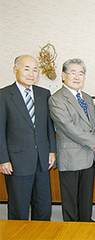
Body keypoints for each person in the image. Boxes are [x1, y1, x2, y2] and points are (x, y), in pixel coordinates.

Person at [0, 55, 56, 220]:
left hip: (42, 160)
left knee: (43, 206)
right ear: (15, 70)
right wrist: (3, 159)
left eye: (35, 69)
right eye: (26, 69)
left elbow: (48, 126)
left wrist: (52, 150)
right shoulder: (3, 95)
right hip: (17, 161)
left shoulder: (44, 94)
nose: (31, 73)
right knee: (19, 207)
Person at [48, 58, 95, 222]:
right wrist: (94, 142)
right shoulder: (56, 99)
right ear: (64, 75)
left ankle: (86, 222)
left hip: (90, 154)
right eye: (73, 73)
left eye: (81, 73)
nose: (77, 77)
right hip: (71, 156)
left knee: (86, 195)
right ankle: (72, 228)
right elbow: (68, 127)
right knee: (71, 198)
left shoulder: (86, 97)